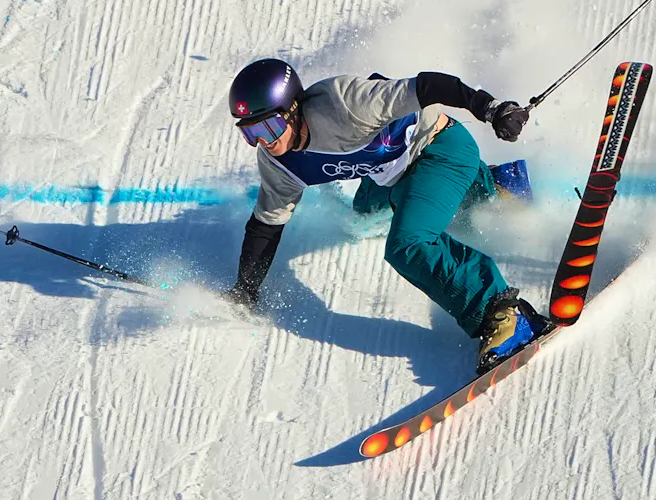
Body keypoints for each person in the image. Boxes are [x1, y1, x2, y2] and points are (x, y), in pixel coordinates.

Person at [222, 58, 552, 374]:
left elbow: (429, 86)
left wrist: (490, 109)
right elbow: (265, 225)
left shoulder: (346, 104)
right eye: (251, 133)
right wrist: (245, 290)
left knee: (408, 244)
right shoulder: (278, 163)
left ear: (293, 109)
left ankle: (505, 313)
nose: (264, 141)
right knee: (364, 215)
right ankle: (495, 186)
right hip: (392, 174)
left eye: (270, 126)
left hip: (438, 147)